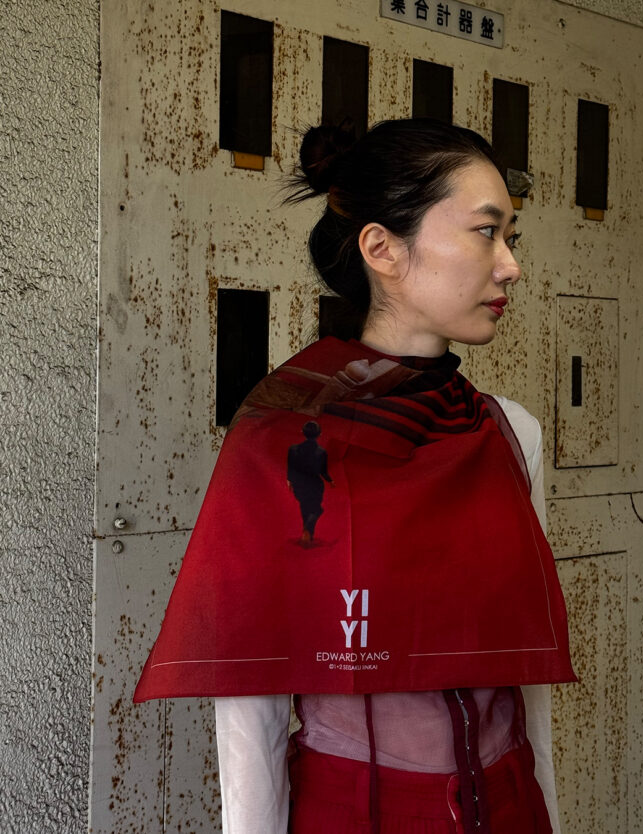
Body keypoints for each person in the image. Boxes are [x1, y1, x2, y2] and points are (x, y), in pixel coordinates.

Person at [134, 119, 575, 834]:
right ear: (381, 248)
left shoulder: (509, 432)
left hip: (511, 806)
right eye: (485, 232)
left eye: (510, 238)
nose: (509, 266)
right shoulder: (279, 437)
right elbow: (252, 698)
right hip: (357, 813)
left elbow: (527, 668)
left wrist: (546, 812)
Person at [287, 420, 334, 545]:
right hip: (314, 484)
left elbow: (291, 467)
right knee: (317, 509)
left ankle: (307, 533)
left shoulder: (293, 449)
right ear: (320, 434)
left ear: (302, 432)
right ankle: (307, 530)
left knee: (304, 507)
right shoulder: (321, 452)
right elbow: (323, 471)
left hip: (299, 484)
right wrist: (330, 480)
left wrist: (290, 480)